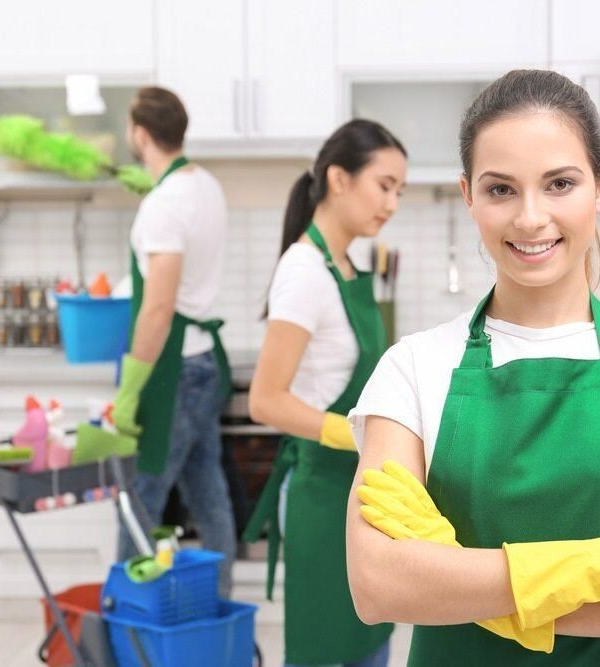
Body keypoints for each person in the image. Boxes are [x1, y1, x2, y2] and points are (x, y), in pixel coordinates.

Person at [345, 70, 600, 664]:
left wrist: (459, 580)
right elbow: (378, 586)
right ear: (469, 196)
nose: (531, 218)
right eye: (501, 189)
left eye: (559, 183)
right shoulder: (411, 368)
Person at [243, 119, 407, 667]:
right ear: (339, 178)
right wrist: (350, 433)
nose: (393, 203)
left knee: (369, 641)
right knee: (324, 648)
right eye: (384, 185)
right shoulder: (304, 271)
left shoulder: (345, 266)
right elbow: (264, 399)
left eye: (399, 191)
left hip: (358, 488)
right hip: (321, 492)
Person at [113, 86, 237, 598]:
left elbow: (158, 308)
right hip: (205, 363)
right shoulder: (204, 185)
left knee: (140, 494)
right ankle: (220, 602)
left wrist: (130, 387)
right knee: (208, 494)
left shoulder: (163, 207)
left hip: (173, 373)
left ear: (140, 134)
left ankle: (126, 616)